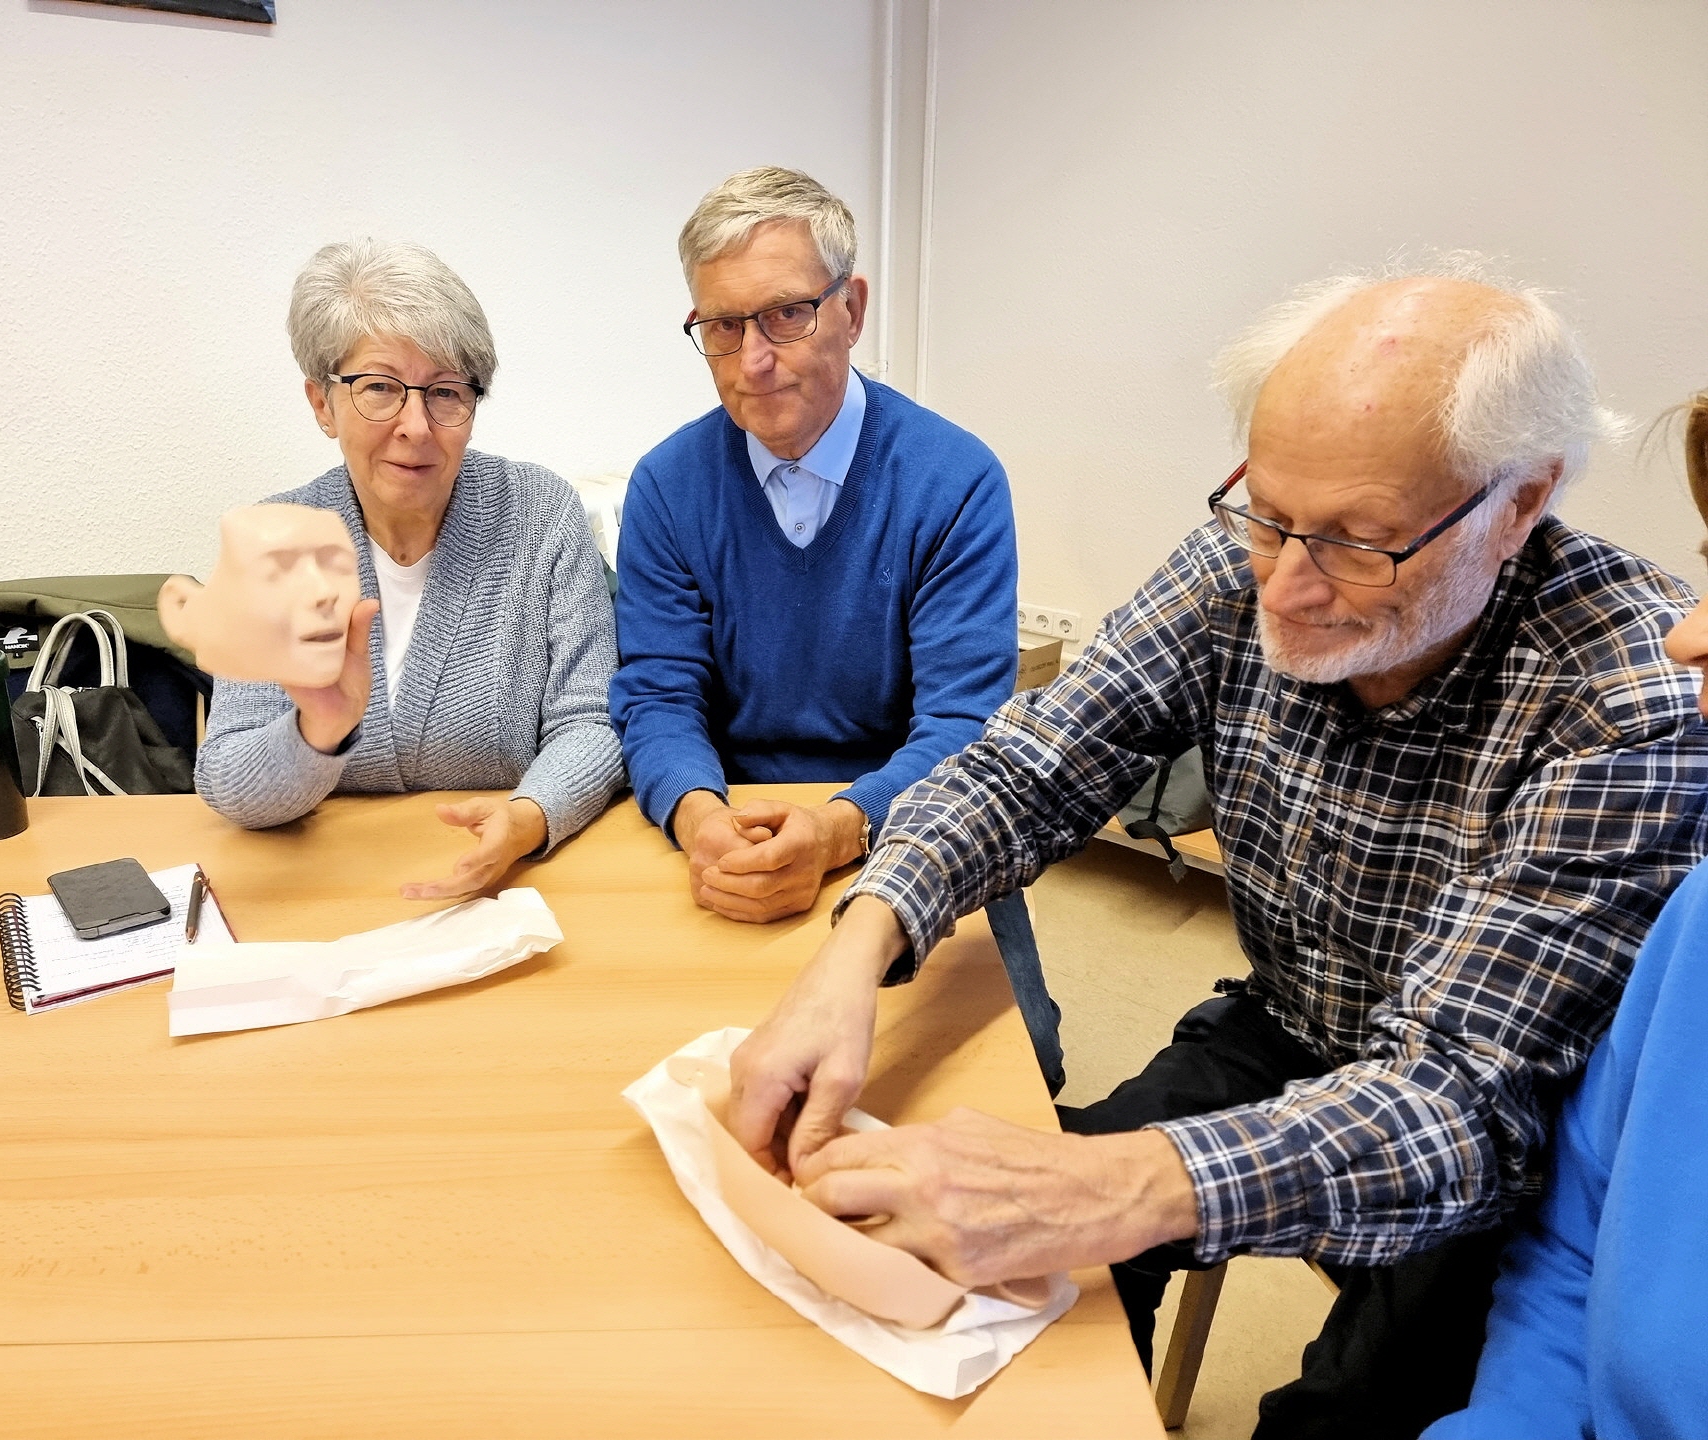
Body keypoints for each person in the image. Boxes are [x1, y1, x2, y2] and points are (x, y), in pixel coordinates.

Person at [725, 262, 1708, 1438]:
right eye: (1267, 513)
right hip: (1292, 1020)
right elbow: (1029, 768)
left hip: (1496, 1139)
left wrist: (1118, 1189)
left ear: (1518, 502)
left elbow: (1454, 1102)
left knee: (1336, 1406)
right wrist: (858, 947)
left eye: (1358, 543)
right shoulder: (1238, 569)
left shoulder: (1632, 701)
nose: (1286, 586)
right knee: (1018, 1274)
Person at [607, 168, 1067, 1096]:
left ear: (851, 309)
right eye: (721, 327)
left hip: (913, 816)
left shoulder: (955, 480)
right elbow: (657, 696)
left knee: (1011, 1075)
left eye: (786, 315)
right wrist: (698, 817)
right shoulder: (666, 485)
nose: (752, 360)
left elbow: (964, 729)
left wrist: (839, 830)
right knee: (667, 1065)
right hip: (732, 814)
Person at [1423, 390, 1708, 1440]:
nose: (1687, 640)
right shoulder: (1701, 921)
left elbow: (1466, 1083)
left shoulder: (1622, 705)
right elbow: (1580, 1248)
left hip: (1472, 1095)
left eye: (1363, 534)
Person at [197, 239, 624, 897]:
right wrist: (318, 733)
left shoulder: (541, 514)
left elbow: (592, 722)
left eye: (446, 392)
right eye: (379, 388)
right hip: (324, 888)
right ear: (321, 403)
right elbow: (228, 778)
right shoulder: (277, 541)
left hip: (510, 883)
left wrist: (529, 816)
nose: (417, 426)